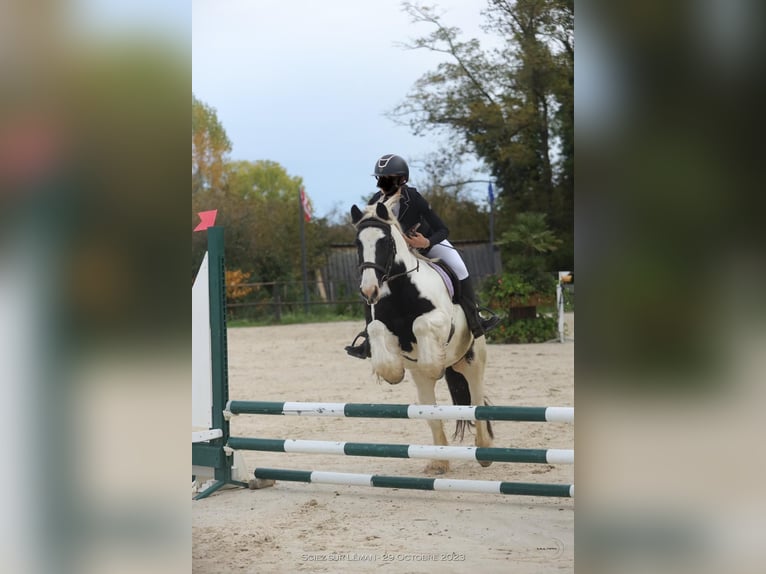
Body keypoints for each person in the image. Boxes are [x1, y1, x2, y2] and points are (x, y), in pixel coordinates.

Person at [345, 153, 500, 359]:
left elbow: (442, 229)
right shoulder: (375, 201)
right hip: (398, 253)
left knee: (459, 266)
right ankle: (368, 338)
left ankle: (476, 319)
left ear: (402, 179)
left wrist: (425, 242)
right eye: (381, 178)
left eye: (389, 178)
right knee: (371, 280)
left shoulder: (414, 198)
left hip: (427, 243)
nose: (384, 182)